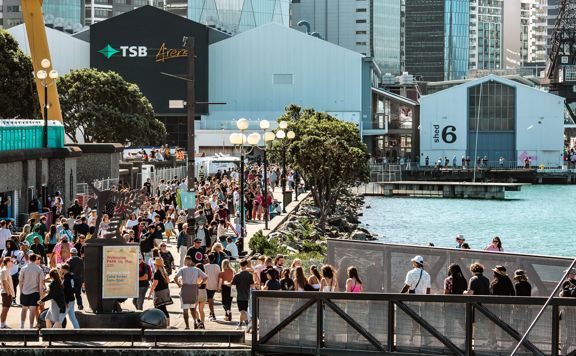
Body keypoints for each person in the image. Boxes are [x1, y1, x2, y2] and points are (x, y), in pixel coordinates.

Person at [174, 256, 207, 329]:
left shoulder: (182, 269)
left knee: (185, 309)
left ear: (185, 261)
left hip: (185, 288)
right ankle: (195, 321)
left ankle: (187, 326)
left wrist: (179, 284)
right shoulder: (196, 269)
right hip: (194, 289)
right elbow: (205, 277)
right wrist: (200, 283)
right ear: (191, 261)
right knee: (193, 308)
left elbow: (175, 278)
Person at [225, 259, 254, 330]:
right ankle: (241, 325)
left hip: (240, 295)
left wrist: (225, 282)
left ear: (240, 265)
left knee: (242, 311)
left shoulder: (237, 275)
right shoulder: (250, 275)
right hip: (247, 294)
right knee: (244, 311)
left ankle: (246, 324)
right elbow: (252, 285)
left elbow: (231, 284)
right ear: (246, 265)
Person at [19, 254, 44, 328]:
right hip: (35, 292)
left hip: (25, 291)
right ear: (36, 259)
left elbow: (20, 281)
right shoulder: (39, 269)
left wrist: (21, 291)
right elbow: (40, 282)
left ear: (29, 259)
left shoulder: (23, 268)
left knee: (24, 309)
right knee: (32, 310)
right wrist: (40, 293)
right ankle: (31, 326)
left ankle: (22, 325)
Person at [148, 258, 173, 327]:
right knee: (163, 308)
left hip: (159, 293)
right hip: (165, 291)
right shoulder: (164, 273)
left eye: (155, 265)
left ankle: (159, 323)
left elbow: (154, 284)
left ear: (157, 265)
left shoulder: (157, 273)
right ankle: (167, 323)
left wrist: (150, 294)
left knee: (158, 308)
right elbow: (168, 281)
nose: (154, 266)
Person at [60, 263, 79, 328]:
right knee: (72, 317)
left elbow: (67, 291)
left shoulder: (66, 279)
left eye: (61, 269)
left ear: (64, 269)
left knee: (61, 317)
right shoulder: (71, 277)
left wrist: (66, 302)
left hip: (68, 301)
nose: (60, 270)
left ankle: (54, 331)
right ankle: (78, 330)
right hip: (72, 299)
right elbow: (73, 289)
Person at [204, 253, 221, 322]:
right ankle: (211, 312)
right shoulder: (217, 266)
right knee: (210, 299)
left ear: (208, 258)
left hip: (208, 285)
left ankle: (213, 313)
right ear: (214, 259)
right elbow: (219, 276)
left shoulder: (205, 266)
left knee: (210, 299)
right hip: (215, 284)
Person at [0, 257, 15, 328]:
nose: (12, 262)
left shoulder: (7, 270)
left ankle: (3, 323)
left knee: (6, 309)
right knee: (5, 309)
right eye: (11, 261)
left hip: (8, 293)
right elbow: (4, 281)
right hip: (6, 293)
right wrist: (8, 292)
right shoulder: (4, 270)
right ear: (8, 262)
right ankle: (2, 324)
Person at [195, 263, 208, 329]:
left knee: (193, 309)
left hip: (196, 292)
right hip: (203, 292)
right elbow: (206, 285)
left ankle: (198, 320)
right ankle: (202, 323)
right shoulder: (205, 276)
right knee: (201, 310)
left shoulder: (195, 276)